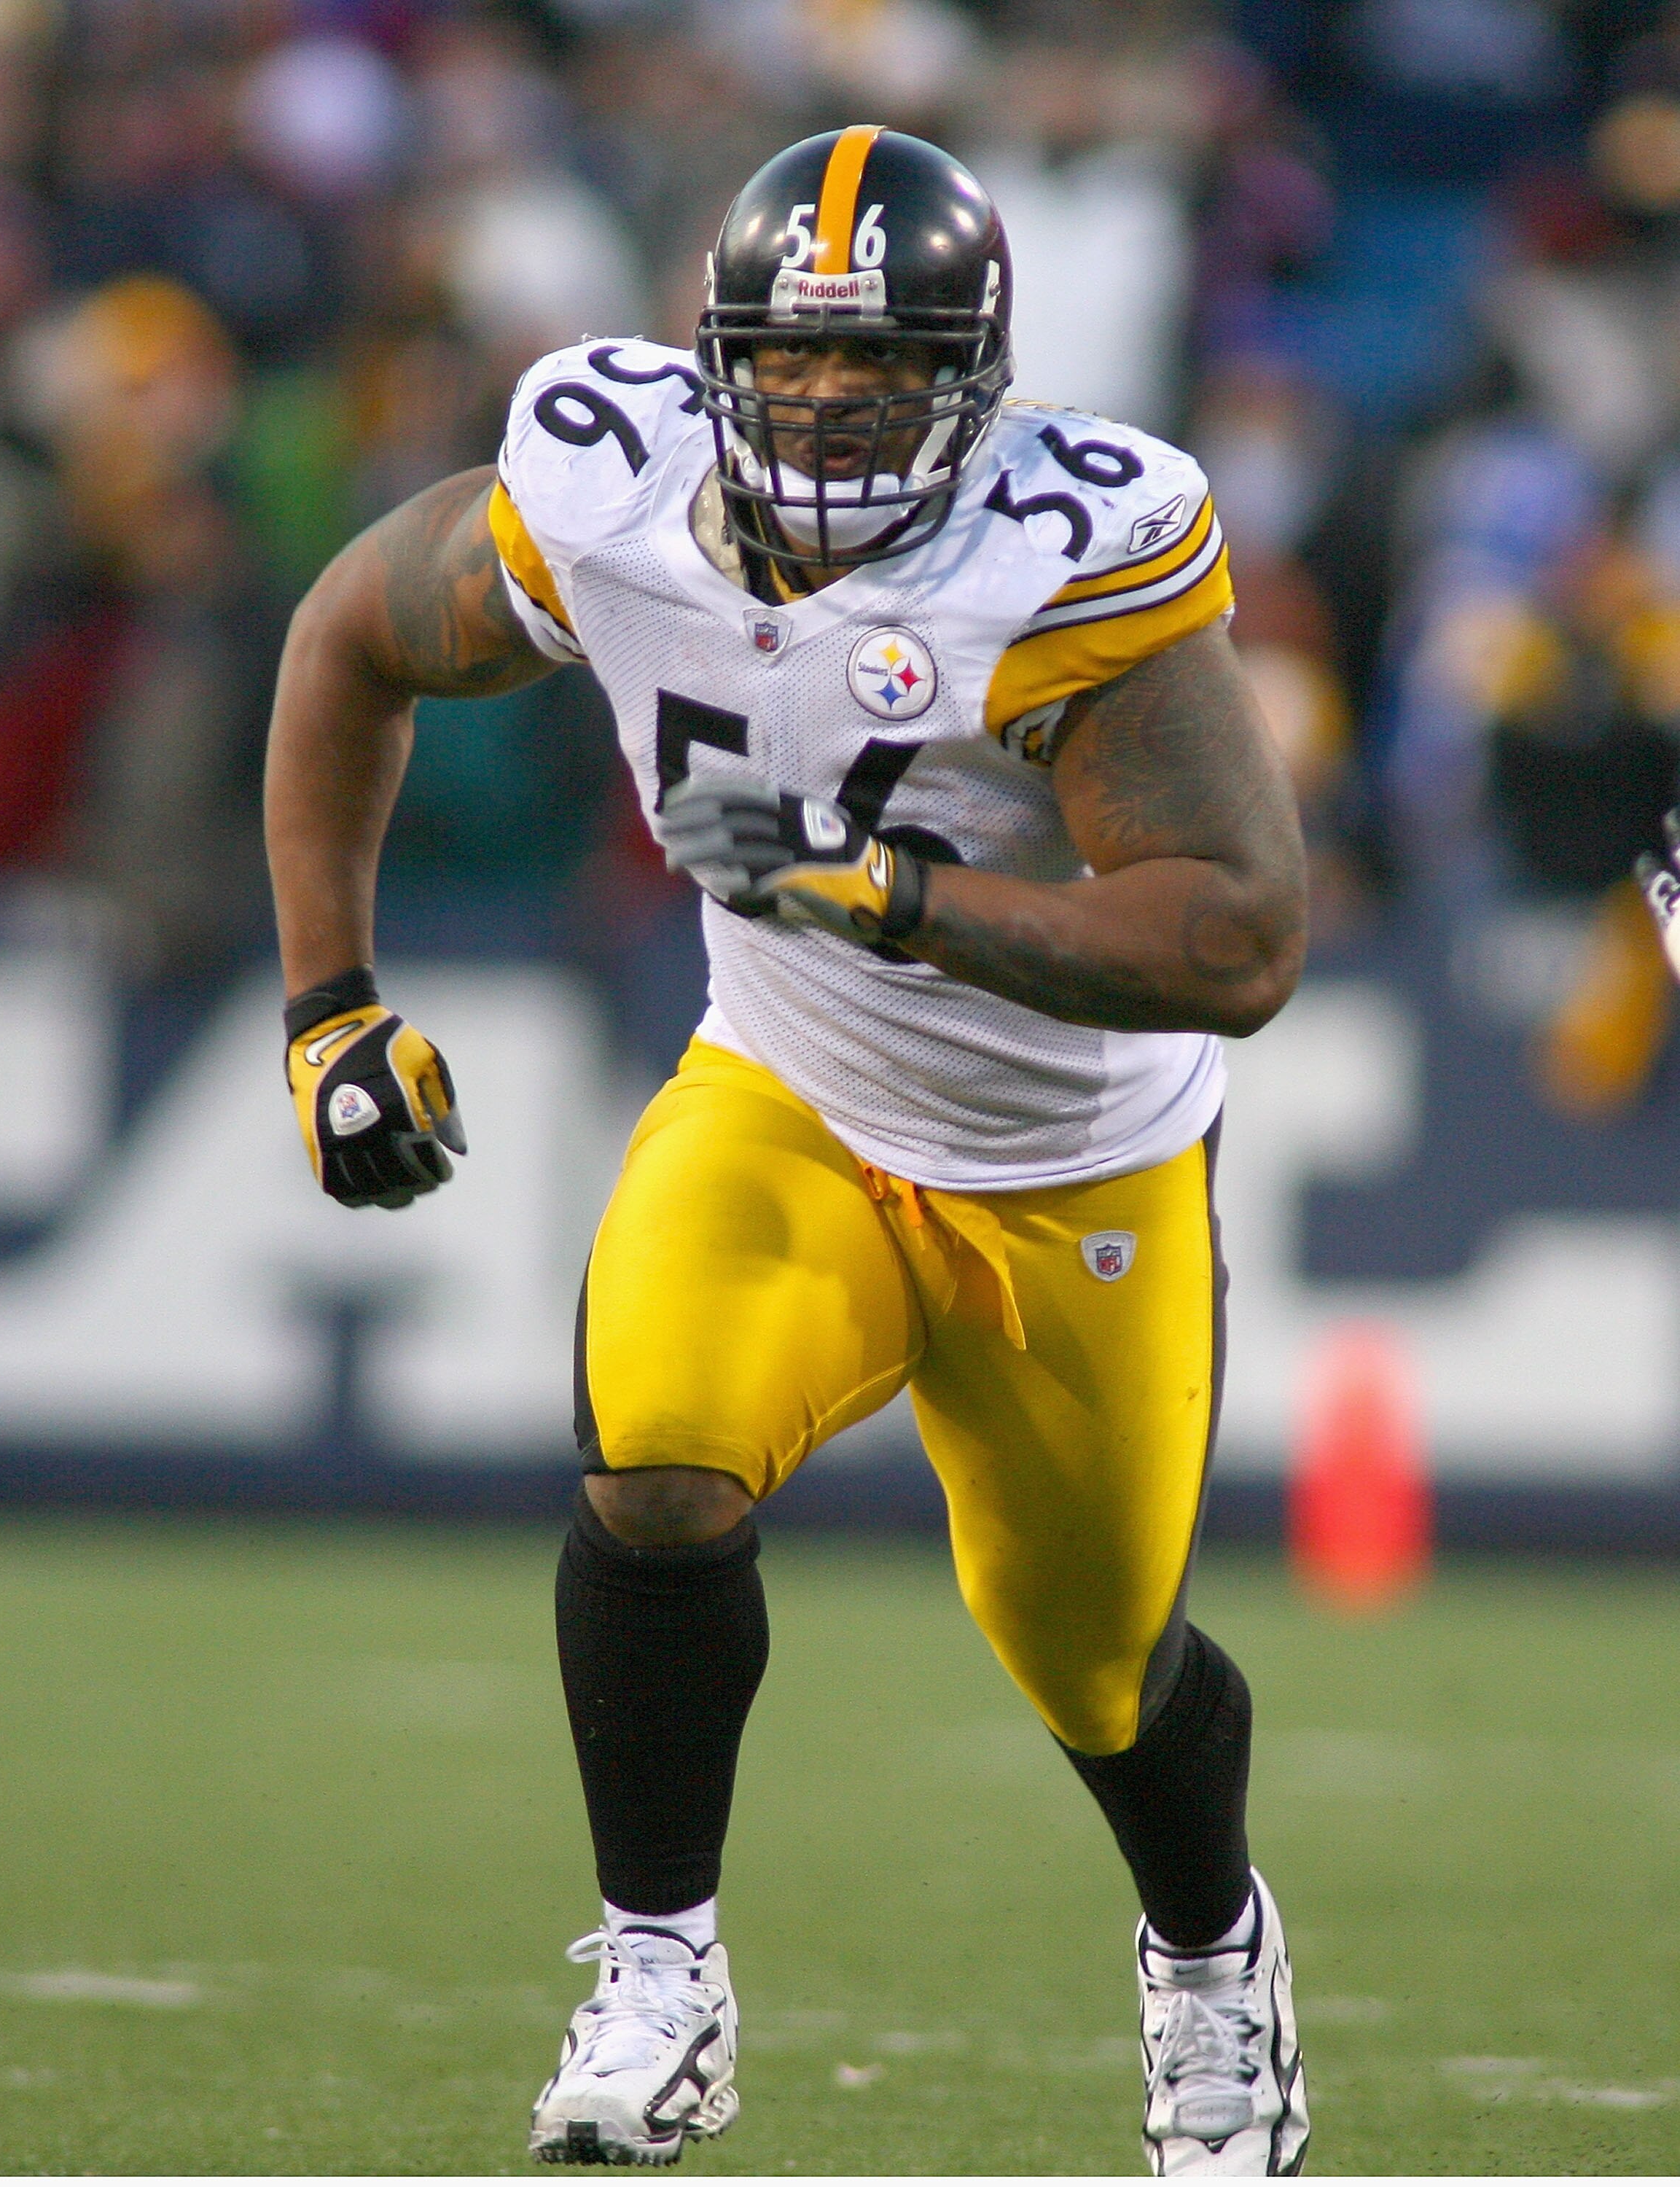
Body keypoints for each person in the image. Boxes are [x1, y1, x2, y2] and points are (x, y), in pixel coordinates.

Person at [264, 125, 1310, 2178]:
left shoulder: (1066, 554)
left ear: (979, 380)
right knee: (651, 1460)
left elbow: (1237, 937)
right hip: (791, 1107)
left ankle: (1209, 1962)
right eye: (791, 363)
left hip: (1067, 1170)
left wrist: (891, 898)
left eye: (888, 368)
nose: (829, 404)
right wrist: (328, 1008)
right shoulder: (611, 489)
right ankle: (660, 1972)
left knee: (1094, 1665)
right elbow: (347, 640)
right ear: (713, 356)